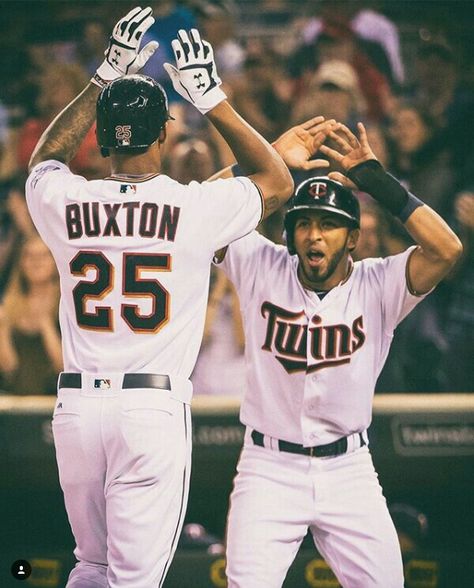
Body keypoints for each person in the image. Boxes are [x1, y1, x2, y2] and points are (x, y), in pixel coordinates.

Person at [24, 6, 298, 587]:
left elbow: (44, 158)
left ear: (99, 137)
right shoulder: (193, 207)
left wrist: (103, 75)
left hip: (75, 410)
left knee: (89, 566)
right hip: (148, 411)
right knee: (134, 579)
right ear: (165, 133)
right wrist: (212, 98)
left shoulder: (67, 201)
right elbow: (277, 180)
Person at [213, 122, 462, 586]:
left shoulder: (379, 283)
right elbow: (197, 215)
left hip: (348, 469)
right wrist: (264, 160)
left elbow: (447, 248)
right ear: (290, 233)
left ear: (353, 237)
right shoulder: (263, 265)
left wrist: (377, 181)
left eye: (329, 224)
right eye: (304, 222)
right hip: (268, 468)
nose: (314, 235)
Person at [0, 235, 62, 395]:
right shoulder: (9, 304)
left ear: (56, 261)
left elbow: (64, 367)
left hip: (56, 399)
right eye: (29, 255)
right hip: (17, 401)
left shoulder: (66, 304)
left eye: (43, 255)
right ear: (21, 262)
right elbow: (8, 367)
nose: (36, 262)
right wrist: (2, 329)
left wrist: (45, 325)